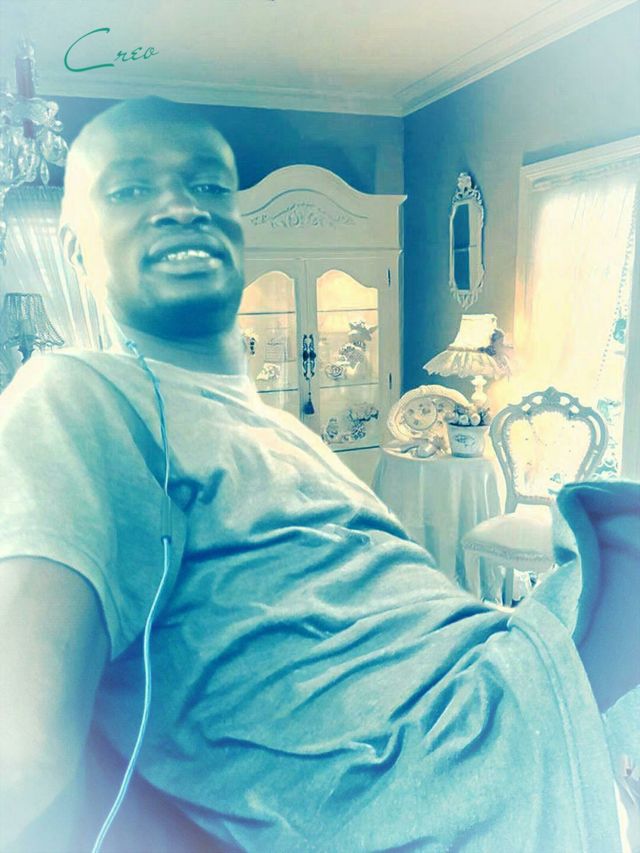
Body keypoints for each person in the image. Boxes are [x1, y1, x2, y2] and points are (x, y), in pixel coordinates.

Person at [0, 97, 637, 853]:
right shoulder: (71, 393)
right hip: (439, 763)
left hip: (510, 679)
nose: (180, 206)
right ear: (75, 249)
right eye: (130, 188)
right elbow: (21, 751)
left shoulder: (277, 428)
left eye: (208, 186)